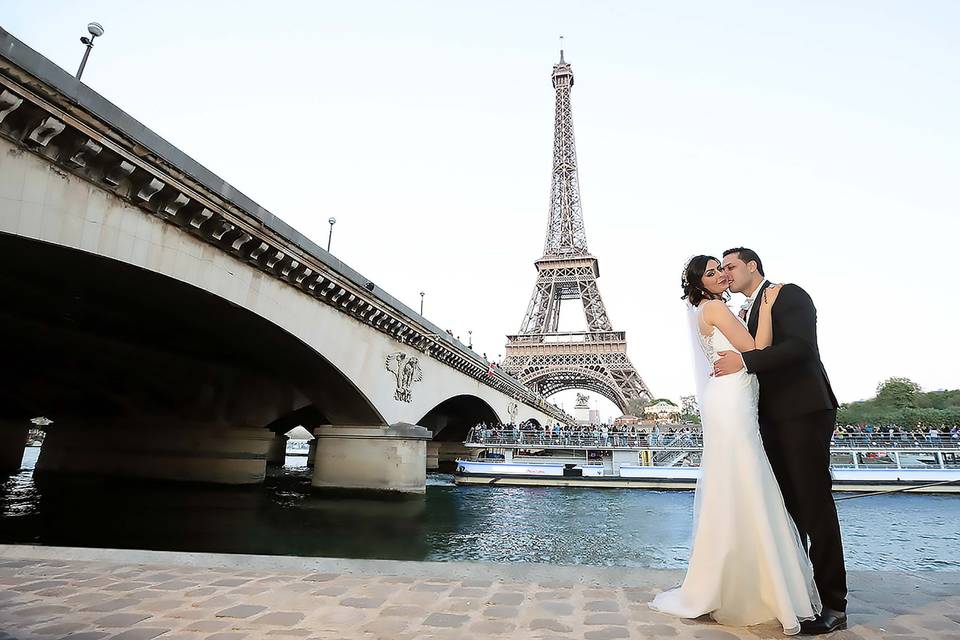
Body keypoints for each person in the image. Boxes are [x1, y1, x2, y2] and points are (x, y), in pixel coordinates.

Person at [650, 255, 821, 636]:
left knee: (738, 486)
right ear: (699, 283)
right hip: (731, 402)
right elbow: (758, 346)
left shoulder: (713, 308)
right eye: (711, 272)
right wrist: (768, 307)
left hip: (730, 399)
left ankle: (734, 581)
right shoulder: (715, 307)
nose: (720, 275)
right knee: (747, 484)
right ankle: (762, 584)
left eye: (721, 269)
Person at [714, 247, 846, 634]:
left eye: (731, 266)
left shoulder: (789, 294)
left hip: (803, 411)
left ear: (752, 266)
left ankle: (835, 604)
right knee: (788, 507)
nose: (725, 273)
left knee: (814, 503)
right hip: (771, 417)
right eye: (720, 268)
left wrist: (746, 361)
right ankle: (804, 591)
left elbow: (802, 348)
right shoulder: (749, 310)